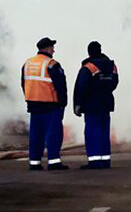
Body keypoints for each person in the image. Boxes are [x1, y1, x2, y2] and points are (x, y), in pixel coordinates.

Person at [21, 37, 69, 170]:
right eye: (52, 47)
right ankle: (54, 162)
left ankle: (34, 162)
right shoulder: (52, 64)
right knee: (53, 134)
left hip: (33, 105)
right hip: (51, 105)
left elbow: (23, 83)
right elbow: (60, 86)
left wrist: (29, 98)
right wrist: (63, 103)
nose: (54, 50)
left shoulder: (27, 63)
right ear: (47, 48)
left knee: (36, 134)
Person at [73, 41, 119, 169]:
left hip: (92, 105)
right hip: (106, 103)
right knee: (104, 131)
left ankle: (94, 161)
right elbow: (115, 83)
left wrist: (78, 105)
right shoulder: (112, 66)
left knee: (92, 132)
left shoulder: (88, 67)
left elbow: (81, 87)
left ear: (89, 52)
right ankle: (105, 161)